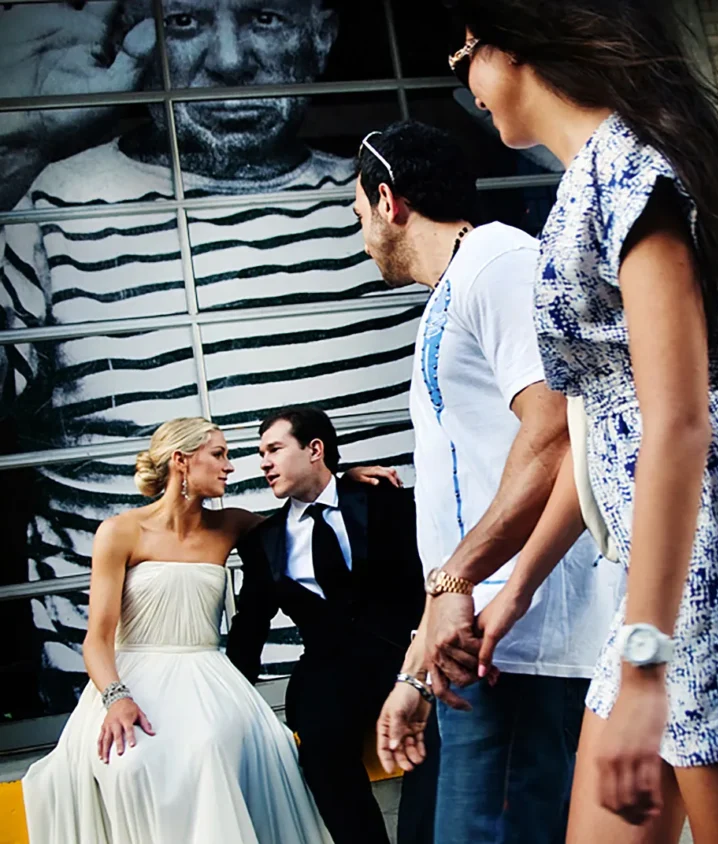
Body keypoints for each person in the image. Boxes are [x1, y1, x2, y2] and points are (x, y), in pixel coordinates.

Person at [441, 2, 718, 842]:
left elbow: (675, 422)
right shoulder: (589, 181)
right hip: (659, 591)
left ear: (516, 44)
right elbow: (607, 428)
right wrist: (515, 588)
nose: (464, 79)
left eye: (465, 52)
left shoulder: (632, 169)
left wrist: (643, 662)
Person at [0, 0, 413, 712]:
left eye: (264, 18)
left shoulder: (389, 214)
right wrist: (14, 146)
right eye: (184, 21)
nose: (227, 59)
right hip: (123, 701)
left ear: (322, 33)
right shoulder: (51, 209)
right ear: (130, 44)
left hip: (385, 679)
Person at [358, 121, 623, 844]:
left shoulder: (497, 259)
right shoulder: (452, 291)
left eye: (357, 212)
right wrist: (414, 673)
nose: (359, 231)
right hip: (475, 642)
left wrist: (455, 588)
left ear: (389, 201)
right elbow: (457, 503)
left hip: (523, 641)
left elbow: (553, 432)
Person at [21, 416, 333, 843]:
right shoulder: (120, 531)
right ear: (182, 461)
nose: (230, 466)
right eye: (219, 455)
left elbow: (311, 516)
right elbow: (96, 638)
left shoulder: (233, 526)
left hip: (207, 678)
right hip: (130, 679)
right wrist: (117, 699)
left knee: (209, 749)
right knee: (130, 764)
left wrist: (345, 479)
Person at [225, 405, 432, 844]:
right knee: (319, 749)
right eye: (261, 453)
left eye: (274, 449)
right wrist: (230, 699)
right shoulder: (263, 541)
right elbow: (249, 627)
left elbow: (427, 576)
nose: (263, 462)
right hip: (329, 670)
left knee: (436, 739)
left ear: (315, 449)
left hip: (403, 657)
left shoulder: (384, 499)